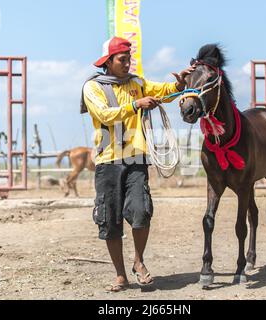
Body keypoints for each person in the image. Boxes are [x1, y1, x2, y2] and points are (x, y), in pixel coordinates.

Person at [81, 36, 194, 292]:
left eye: (128, 59)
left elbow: (163, 91)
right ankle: (120, 275)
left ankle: (138, 261)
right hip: (108, 160)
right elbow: (103, 115)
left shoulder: (138, 83)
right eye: (122, 59)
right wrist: (135, 104)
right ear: (108, 62)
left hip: (136, 158)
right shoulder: (93, 88)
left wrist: (178, 85)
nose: (127, 63)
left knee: (141, 211)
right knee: (110, 220)